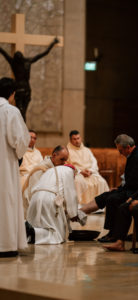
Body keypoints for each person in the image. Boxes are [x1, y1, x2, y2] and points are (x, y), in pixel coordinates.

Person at [81, 134, 138, 242]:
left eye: (121, 150)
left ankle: (113, 234)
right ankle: (79, 212)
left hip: (136, 192)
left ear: (128, 147)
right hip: (130, 189)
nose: (120, 153)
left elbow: (136, 183)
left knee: (112, 199)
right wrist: (119, 188)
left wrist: (121, 189)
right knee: (106, 195)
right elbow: (131, 180)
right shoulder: (133, 155)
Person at [0, 77, 30, 258]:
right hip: (5, 165)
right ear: (12, 94)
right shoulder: (10, 112)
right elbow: (19, 140)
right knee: (6, 201)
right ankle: (6, 244)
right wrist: (20, 153)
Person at [0, 37, 59, 121]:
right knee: (22, 112)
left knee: (21, 111)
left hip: (21, 90)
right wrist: (52, 44)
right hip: (25, 89)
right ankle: (22, 127)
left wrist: (52, 44)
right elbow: (42, 54)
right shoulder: (26, 61)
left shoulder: (14, 62)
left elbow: (3, 52)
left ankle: (22, 127)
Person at [25, 164, 87, 245]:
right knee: (57, 233)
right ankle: (35, 233)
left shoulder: (50, 171)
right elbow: (71, 194)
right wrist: (73, 214)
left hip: (35, 198)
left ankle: (31, 231)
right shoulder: (68, 171)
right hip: (49, 199)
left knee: (39, 225)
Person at [22, 145, 69, 218]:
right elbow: (35, 194)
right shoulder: (40, 170)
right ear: (54, 156)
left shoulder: (58, 167)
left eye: (65, 160)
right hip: (36, 205)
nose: (64, 163)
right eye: (62, 159)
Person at [67, 130, 109, 205]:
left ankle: (99, 205)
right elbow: (67, 165)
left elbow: (94, 162)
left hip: (90, 173)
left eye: (78, 138)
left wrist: (90, 171)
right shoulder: (67, 151)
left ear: (81, 138)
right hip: (77, 174)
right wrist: (80, 171)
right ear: (70, 140)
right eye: (74, 139)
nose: (77, 141)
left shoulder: (87, 150)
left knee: (102, 182)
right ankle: (80, 206)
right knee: (78, 182)